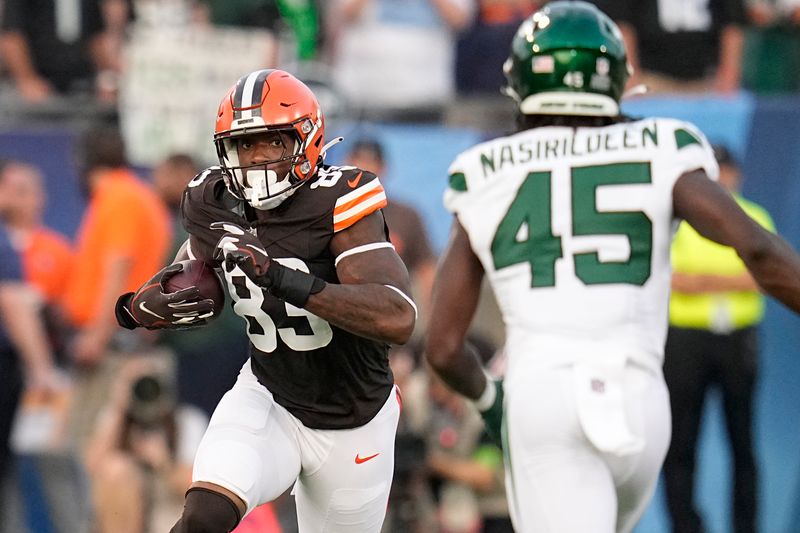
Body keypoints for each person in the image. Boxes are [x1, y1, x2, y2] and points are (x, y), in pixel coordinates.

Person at [423, 2, 800, 533]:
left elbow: (441, 346)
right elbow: (757, 249)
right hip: (642, 402)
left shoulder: (485, 170)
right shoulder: (663, 146)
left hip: (546, 396)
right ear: (618, 79)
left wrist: (491, 401)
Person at [114, 68, 416, 532]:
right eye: (244, 144)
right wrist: (140, 307)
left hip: (354, 419)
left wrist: (280, 277)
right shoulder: (213, 199)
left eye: (272, 142)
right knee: (203, 517)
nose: (255, 158)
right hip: (269, 395)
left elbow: (397, 317)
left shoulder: (340, 199)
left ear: (306, 140)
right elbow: (186, 274)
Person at [662, 145, 774, 533]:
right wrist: (730, 281)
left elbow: (763, 274)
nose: (723, 180)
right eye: (716, 172)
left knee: (742, 442)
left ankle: (747, 527)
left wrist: (702, 283)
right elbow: (673, 280)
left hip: (737, 341)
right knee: (681, 443)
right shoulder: (678, 222)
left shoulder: (755, 217)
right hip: (685, 342)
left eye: (728, 171)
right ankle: (686, 527)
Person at [344, 137, 437, 326]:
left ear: (383, 167)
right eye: (358, 160)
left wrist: (432, 322)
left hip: (393, 315)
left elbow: (427, 270)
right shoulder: (332, 212)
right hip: (347, 312)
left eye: (371, 162)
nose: (363, 168)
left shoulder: (406, 215)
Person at [590, 0, 748, 94]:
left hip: (707, 80)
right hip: (652, 80)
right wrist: (631, 76)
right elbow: (623, 23)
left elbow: (732, 23)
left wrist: (729, 75)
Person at [0, 0, 119, 103]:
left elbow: (96, 37)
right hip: (41, 85)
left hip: (82, 86)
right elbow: (12, 34)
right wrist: (26, 79)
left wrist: (107, 78)